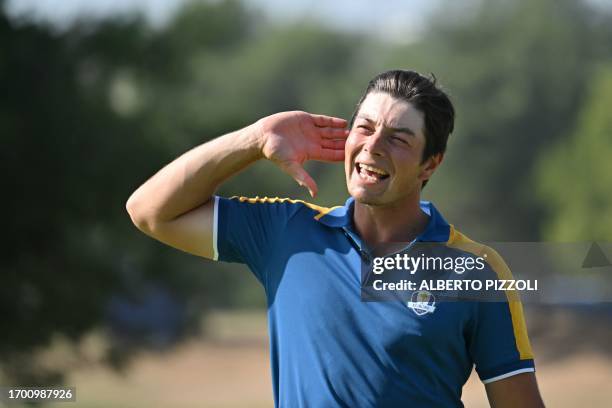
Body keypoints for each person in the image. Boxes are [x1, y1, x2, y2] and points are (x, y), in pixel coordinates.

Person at [126, 70, 545, 407]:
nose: (373, 146)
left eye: (398, 139)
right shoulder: (286, 231)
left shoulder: (476, 269)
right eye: (364, 128)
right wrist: (253, 140)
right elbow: (149, 211)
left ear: (429, 165)